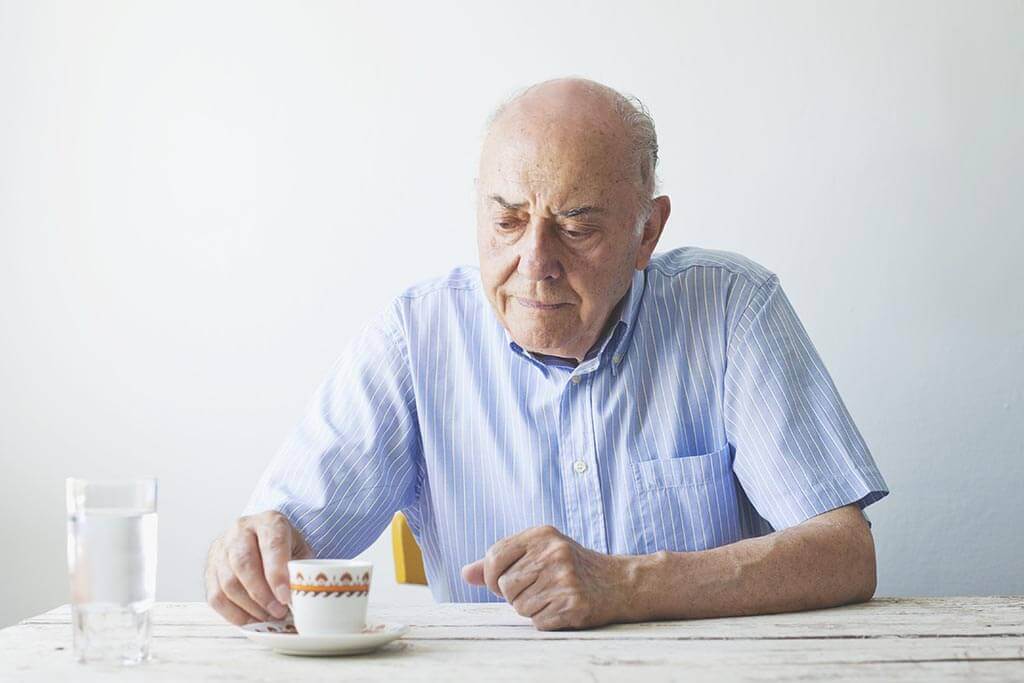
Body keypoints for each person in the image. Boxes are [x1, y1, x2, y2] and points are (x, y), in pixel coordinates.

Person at [205, 77, 889, 631]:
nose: (535, 263)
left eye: (576, 226)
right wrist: (252, 552)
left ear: (646, 231)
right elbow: (284, 541)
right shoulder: (414, 337)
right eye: (507, 221)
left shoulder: (733, 308)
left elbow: (844, 552)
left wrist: (625, 584)